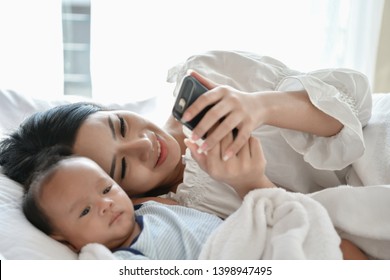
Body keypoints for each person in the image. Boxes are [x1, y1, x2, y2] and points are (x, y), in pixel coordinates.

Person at [0, 50, 372, 218]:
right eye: (123, 168)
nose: (144, 145)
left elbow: (353, 109)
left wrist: (261, 105)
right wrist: (249, 184)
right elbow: (310, 237)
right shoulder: (185, 216)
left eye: (121, 125)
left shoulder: (208, 76)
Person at [23, 144, 367, 260]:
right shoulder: (122, 260)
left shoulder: (150, 207)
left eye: (106, 189)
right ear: (64, 239)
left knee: (323, 236)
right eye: (84, 211)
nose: (106, 205)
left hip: (251, 245)